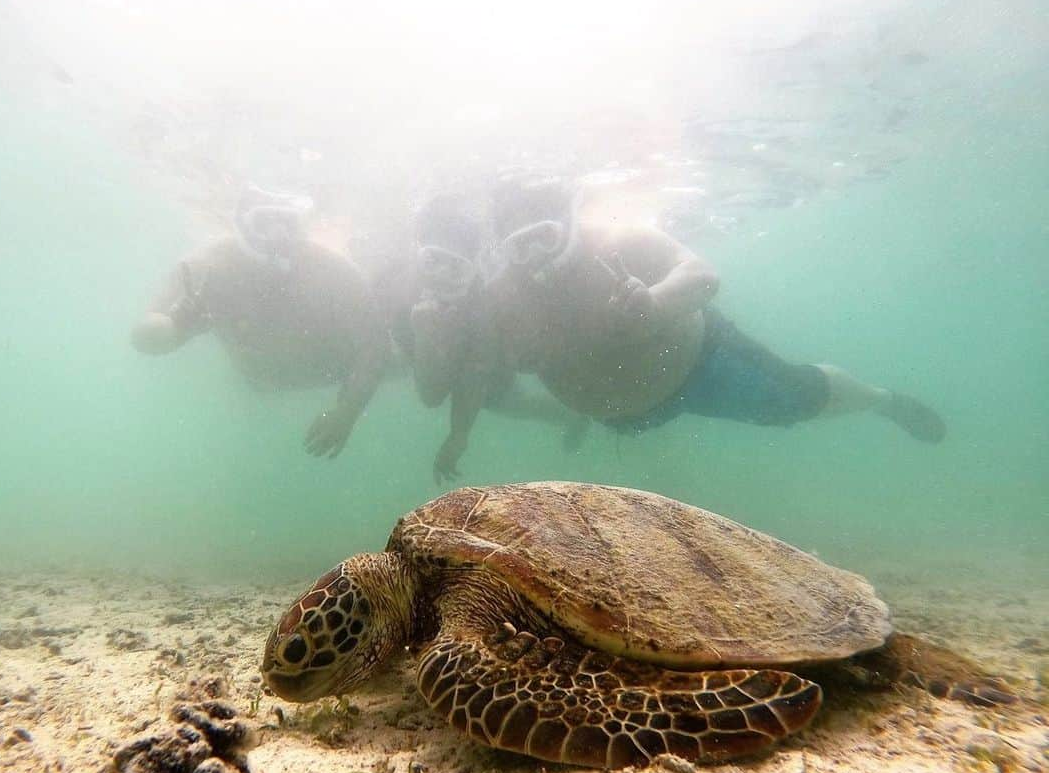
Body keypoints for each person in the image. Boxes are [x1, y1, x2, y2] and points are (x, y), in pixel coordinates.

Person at [428, 172, 946, 476]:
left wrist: (654, 303)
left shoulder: (617, 241)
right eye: (518, 246)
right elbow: (477, 368)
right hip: (622, 417)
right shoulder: (501, 295)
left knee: (797, 399)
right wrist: (459, 434)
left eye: (543, 236)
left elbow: (702, 275)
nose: (532, 258)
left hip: (702, 368)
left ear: (566, 223)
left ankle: (881, 400)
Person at [131, 186, 389, 458]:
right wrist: (176, 323)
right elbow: (142, 339)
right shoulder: (204, 266)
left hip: (325, 373)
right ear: (242, 225)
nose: (278, 236)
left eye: (289, 223)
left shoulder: (335, 270)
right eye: (264, 222)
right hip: (267, 381)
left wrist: (347, 411)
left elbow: (375, 344)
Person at [403, 193, 589, 481]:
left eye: (455, 267)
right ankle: (572, 416)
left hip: (489, 368)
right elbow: (430, 395)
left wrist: (458, 435)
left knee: (512, 403)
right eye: (432, 261)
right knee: (515, 404)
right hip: (447, 357)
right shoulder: (394, 285)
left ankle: (573, 417)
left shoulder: (481, 303)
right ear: (415, 255)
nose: (441, 275)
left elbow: (474, 373)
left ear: (473, 267)